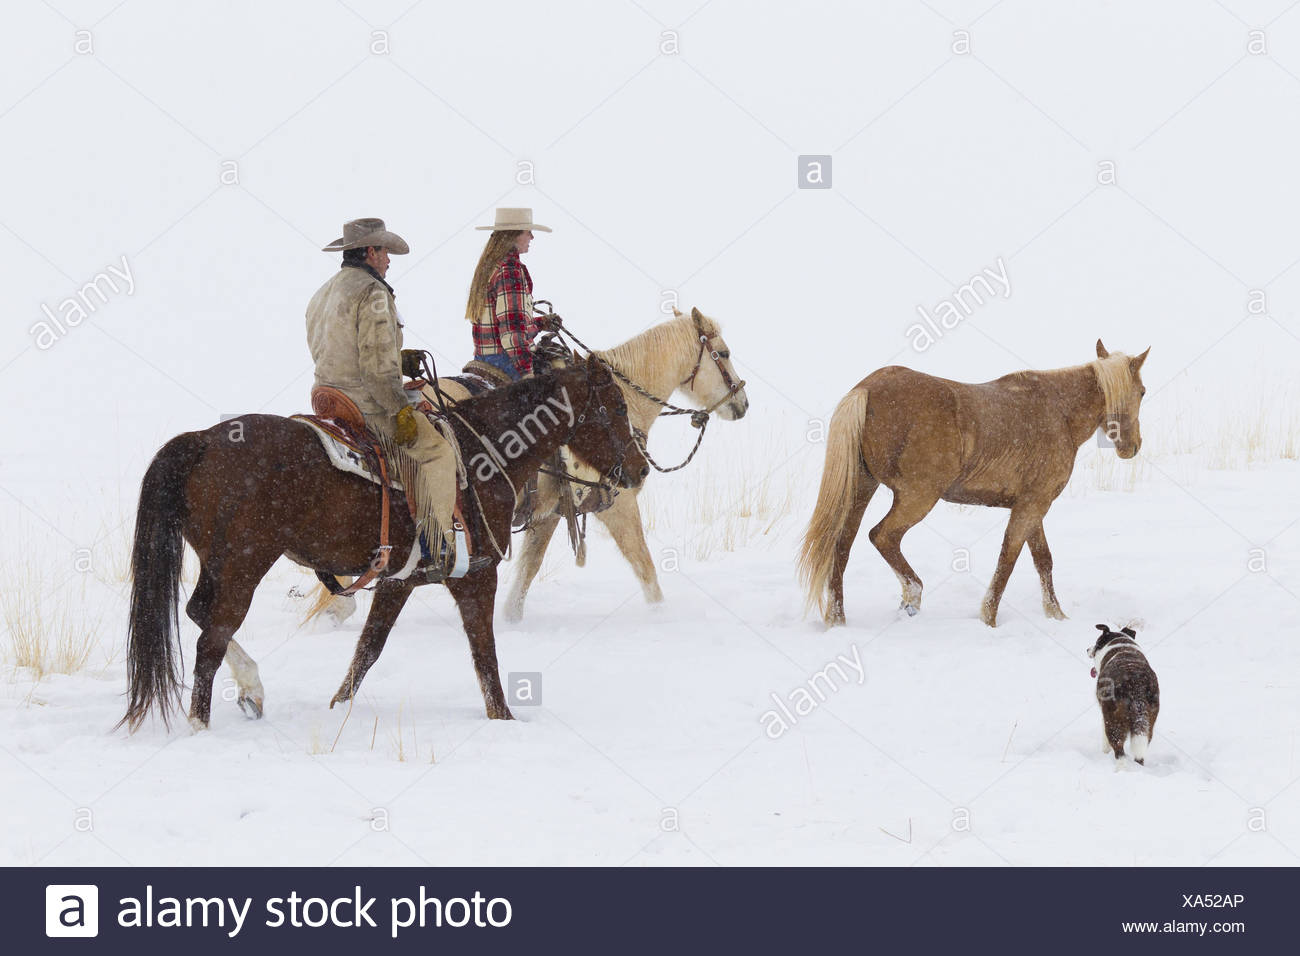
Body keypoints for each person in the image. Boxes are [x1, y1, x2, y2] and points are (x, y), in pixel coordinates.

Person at [307, 218, 459, 576]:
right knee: (438, 453)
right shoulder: (373, 293)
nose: (389, 260)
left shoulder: (324, 292)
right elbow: (376, 372)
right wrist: (398, 409)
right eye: (386, 252)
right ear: (372, 252)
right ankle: (438, 549)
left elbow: (330, 349)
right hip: (367, 403)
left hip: (327, 397)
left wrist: (398, 356)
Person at [464, 207, 559, 381]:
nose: (532, 237)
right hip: (506, 360)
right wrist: (526, 371)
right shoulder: (510, 269)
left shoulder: (489, 266)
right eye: (528, 232)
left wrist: (540, 323)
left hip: (485, 357)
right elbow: (511, 331)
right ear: (514, 235)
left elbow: (507, 322)